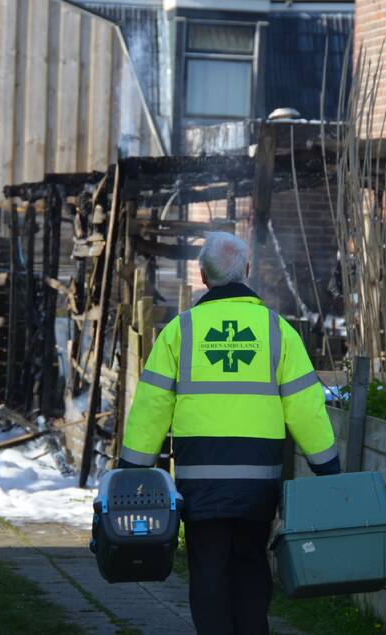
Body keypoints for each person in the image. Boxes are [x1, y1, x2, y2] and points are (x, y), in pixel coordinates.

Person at [119, 231, 341, 635]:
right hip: (258, 484)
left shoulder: (179, 332)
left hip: (201, 485)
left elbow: (151, 407)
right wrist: (327, 466)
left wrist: (132, 469)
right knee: (251, 565)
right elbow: (305, 406)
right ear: (248, 271)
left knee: (208, 570)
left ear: (203, 276)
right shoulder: (278, 332)